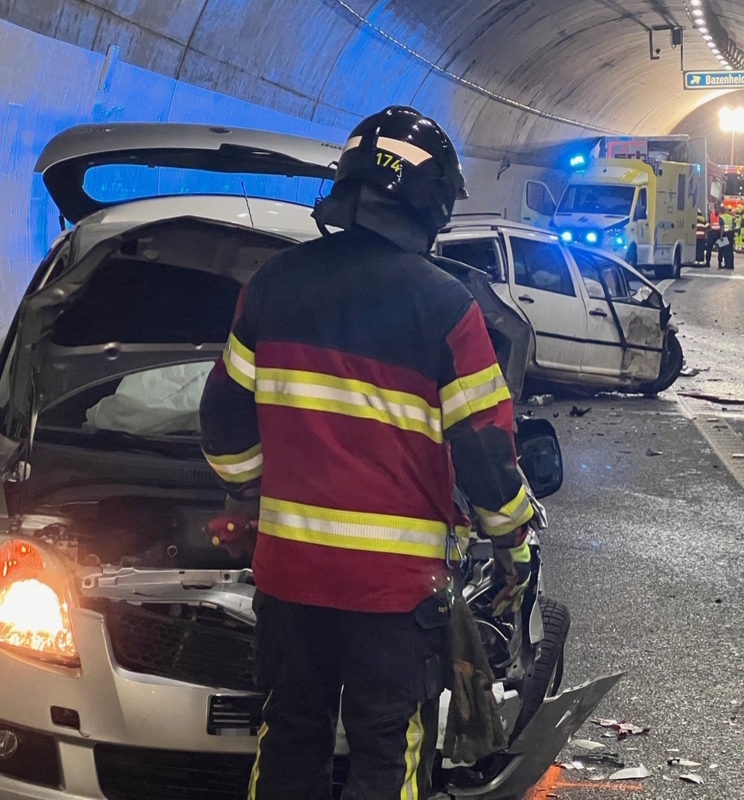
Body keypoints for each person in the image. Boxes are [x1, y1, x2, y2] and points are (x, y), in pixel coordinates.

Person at [199, 106, 536, 800]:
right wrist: (513, 541)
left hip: (290, 577)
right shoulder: (447, 306)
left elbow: (223, 421)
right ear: (434, 203)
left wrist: (250, 493)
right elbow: (484, 447)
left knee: (289, 735)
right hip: (393, 592)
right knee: (388, 752)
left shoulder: (273, 284)